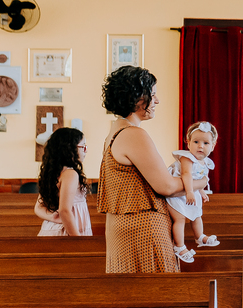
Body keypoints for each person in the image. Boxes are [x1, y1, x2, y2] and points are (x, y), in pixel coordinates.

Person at [99, 65, 207, 274]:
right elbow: (166, 186)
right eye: (153, 94)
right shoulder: (133, 134)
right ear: (138, 97)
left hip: (122, 225)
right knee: (155, 294)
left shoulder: (114, 132)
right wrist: (202, 182)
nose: (157, 101)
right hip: (143, 227)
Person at [166, 121, 220, 262]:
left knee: (197, 215)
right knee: (180, 219)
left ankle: (200, 237)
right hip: (177, 194)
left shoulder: (205, 162)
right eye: (196, 142)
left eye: (206, 143)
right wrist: (190, 191)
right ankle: (179, 246)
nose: (200, 146)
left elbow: (199, 178)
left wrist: (201, 191)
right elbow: (187, 175)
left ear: (213, 146)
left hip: (190, 191)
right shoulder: (186, 158)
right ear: (188, 143)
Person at [34, 126, 92, 237]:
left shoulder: (55, 172)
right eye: (83, 146)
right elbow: (64, 210)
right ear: (70, 149)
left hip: (53, 228)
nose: (86, 150)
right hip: (67, 232)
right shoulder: (70, 173)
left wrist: (52, 217)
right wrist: (79, 242)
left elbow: (38, 208)